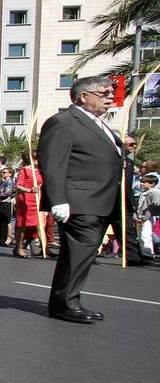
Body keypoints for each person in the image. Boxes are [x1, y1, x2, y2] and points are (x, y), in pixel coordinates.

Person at [40, 75, 133, 323]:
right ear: (84, 96)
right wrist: (58, 199)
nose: (110, 97)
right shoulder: (64, 122)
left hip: (102, 200)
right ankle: (66, 304)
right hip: (80, 200)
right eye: (104, 93)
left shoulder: (101, 125)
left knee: (82, 253)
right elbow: (53, 163)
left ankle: (67, 301)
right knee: (80, 251)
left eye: (110, 92)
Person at [14, 150, 45, 258]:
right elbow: (18, 186)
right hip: (26, 200)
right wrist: (29, 190)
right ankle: (18, 247)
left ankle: (45, 248)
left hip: (37, 200)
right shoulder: (24, 170)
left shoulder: (39, 171)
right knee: (23, 225)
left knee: (39, 225)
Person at [136, 171, 160, 259]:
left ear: (152, 184)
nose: (141, 184)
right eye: (141, 182)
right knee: (140, 236)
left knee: (145, 235)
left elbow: (153, 207)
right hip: (140, 217)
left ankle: (148, 254)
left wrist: (145, 217)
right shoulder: (143, 193)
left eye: (144, 182)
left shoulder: (155, 192)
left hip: (147, 217)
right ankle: (143, 252)